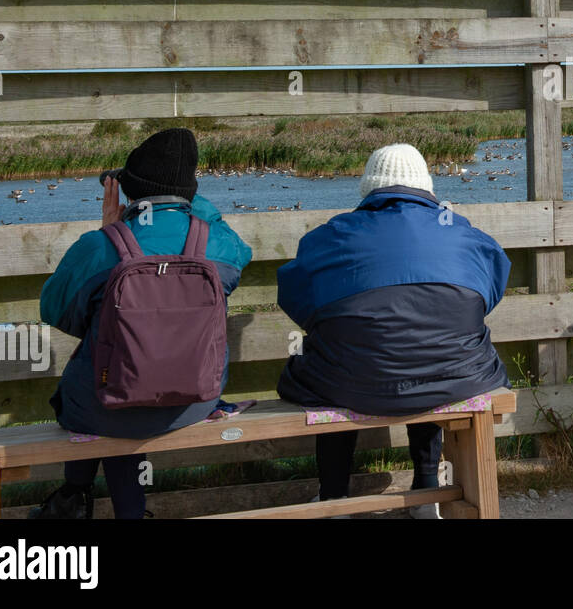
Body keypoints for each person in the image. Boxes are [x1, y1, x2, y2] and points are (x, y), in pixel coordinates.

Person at [276, 143, 510, 518]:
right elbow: (492, 286)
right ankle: (427, 489)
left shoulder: (336, 233)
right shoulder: (460, 230)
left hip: (350, 380)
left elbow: (293, 293)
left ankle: (335, 499)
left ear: (370, 187)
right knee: (431, 356)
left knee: (333, 358)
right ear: (426, 187)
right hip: (456, 376)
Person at [31, 127, 252, 518]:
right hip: (192, 403)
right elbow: (240, 248)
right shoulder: (220, 247)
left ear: (131, 191)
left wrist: (109, 229)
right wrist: (187, 201)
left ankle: (77, 497)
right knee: (129, 390)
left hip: (102, 407)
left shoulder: (100, 247)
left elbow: (53, 309)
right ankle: (125, 511)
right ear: (189, 192)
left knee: (115, 384)